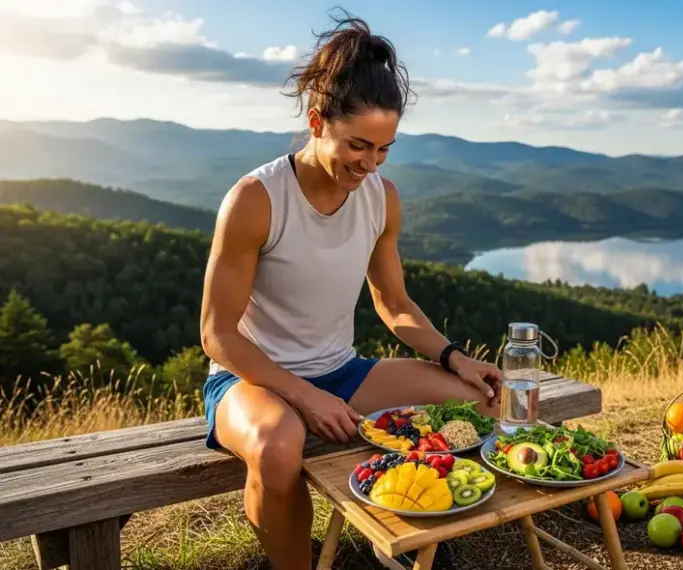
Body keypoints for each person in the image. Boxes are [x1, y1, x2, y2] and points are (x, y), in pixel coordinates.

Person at [198, 10, 503, 570]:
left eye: (384, 150)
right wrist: (302, 394)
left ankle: (408, 531)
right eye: (358, 146)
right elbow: (217, 335)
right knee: (277, 447)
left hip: (341, 372)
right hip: (251, 381)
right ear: (317, 122)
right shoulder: (256, 199)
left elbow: (395, 304)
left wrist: (455, 357)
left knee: (476, 403)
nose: (370, 164)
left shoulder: (382, 198)